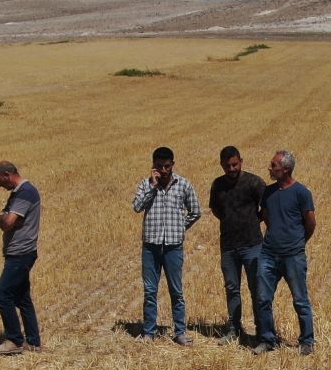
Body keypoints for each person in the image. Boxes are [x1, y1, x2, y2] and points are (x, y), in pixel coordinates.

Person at [131, 146, 201, 345]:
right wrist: (152, 187)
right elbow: (137, 207)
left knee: (176, 291)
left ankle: (180, 331)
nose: (163, 170)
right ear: (153, 166)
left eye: (167, 166)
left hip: (173, 246)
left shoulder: (184, 185)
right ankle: (149, 332)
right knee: (150, 291)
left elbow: (196, 211)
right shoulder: (146, 185)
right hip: (151, 246)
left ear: (173, 165)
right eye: (159, 166)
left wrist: (180, 227)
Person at [253, 150, 318, 355]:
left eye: (273, 166)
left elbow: (310, 223)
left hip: (293, 256)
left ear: (286, 169)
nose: (270, 169)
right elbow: (266, 217)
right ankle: (267, 339)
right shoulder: (268, 192)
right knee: (262, 299)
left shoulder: (302, 193)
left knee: (300, 300)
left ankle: (307, 341)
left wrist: (298, 243)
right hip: (268, 254)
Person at [207, 146, 266, 344]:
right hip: (228, 246)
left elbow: (266, 208)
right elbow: (215, 209)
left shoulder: (254, 182)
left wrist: (252, 221)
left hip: (252, 245)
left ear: (241, 161)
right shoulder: (218, 185)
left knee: (256, 289)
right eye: (227, 166)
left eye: (234, 164)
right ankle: (234, 328)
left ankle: (262, 331)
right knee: (232, 289)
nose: (231, 169)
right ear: (221, 165)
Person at [0, 161, 42, 355]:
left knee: (2, 295)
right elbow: (2, 219)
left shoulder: (25, 193)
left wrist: (4, 219)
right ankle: (34, 342)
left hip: (20, 253)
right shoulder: (18, 194)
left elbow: (7, 222)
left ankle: (14, 340)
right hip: (20, 252)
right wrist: (3, 218)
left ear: (8, 174)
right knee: (22, 298)